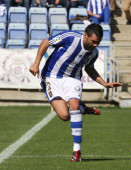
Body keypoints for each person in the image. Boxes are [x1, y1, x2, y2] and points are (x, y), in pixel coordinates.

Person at [29, 23, 122, 162]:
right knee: (64, 116)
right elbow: (46, 42)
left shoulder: (93, 53)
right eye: (94, 41)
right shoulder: (70, 37)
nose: (96, 45)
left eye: (98, 42)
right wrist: (36, 63)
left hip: (73, 78)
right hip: (51, 77)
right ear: (85, 36)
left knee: (73, 105)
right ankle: (82, 108)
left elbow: (89, 69)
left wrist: (104, 83)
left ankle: (77, 151)